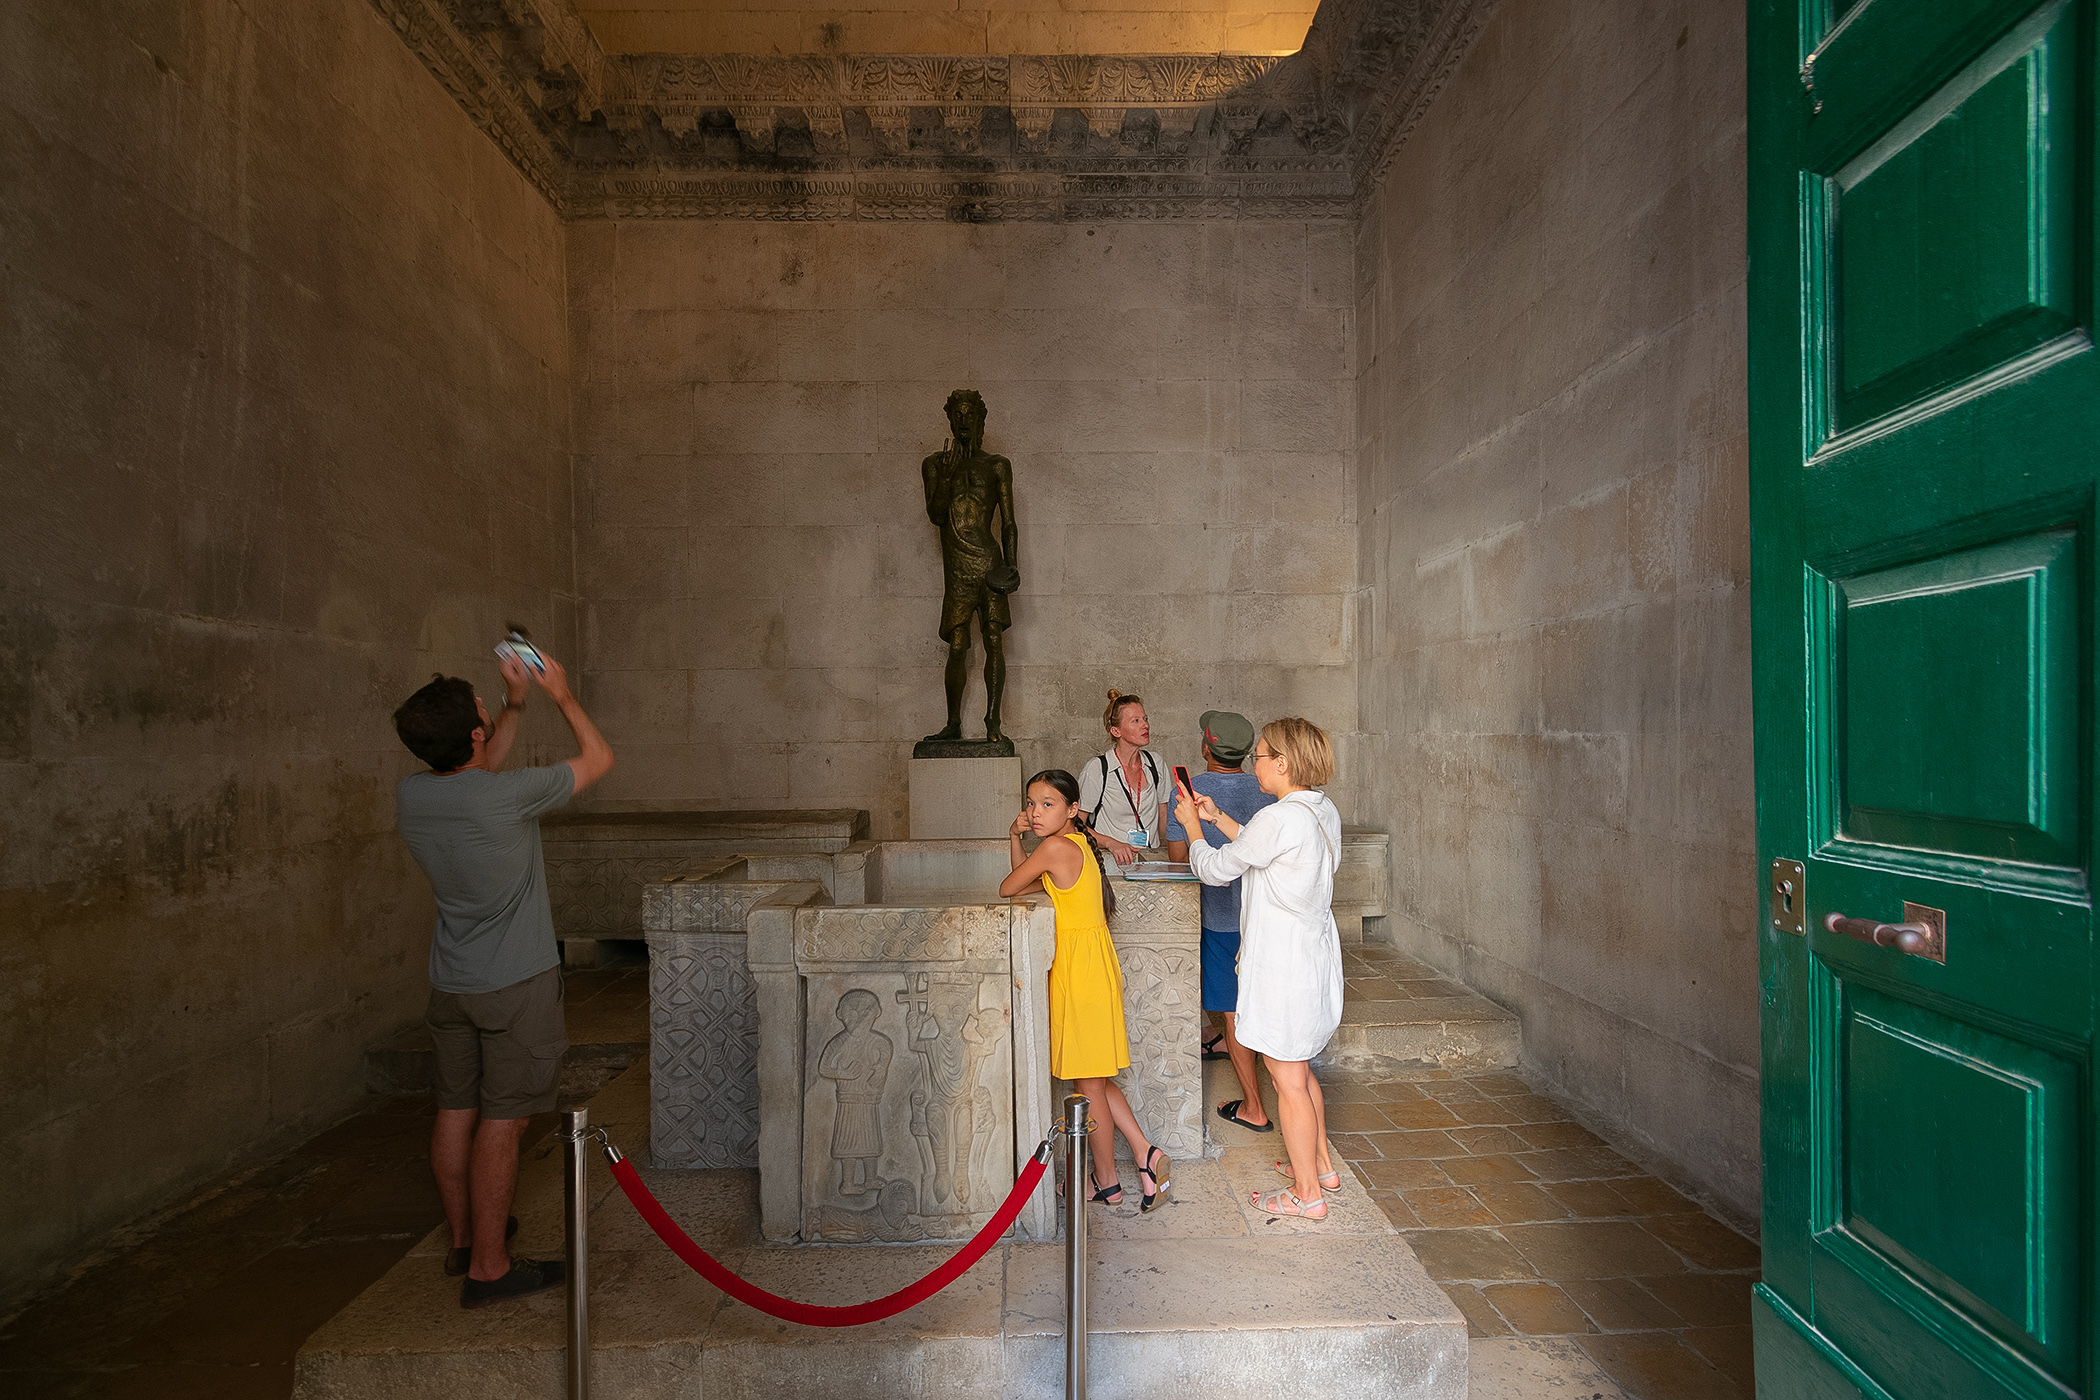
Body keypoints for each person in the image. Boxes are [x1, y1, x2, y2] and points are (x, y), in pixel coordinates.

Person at [391, 647, 615, 1307]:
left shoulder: (415, 793)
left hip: (451, 980)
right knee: (505, 1119)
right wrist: (563, 696)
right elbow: (599, 759)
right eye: (485, 712)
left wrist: (513, 702)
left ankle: (463, 1239)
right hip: (514, 983)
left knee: (456, 1108)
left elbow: (476, 767)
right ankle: (490, 1268)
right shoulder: (507, 796)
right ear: (475, 736)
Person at [1171, 718, 1343, 1220]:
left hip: (1284, 961)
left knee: (1286, 1077)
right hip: (1312, 952)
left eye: (1262, 756)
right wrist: (1220, 816)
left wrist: (1191, 825)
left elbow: (1215, 869)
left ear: (1283, 764)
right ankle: (1321, 1165)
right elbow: (1263, 845)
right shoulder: (1317, 810)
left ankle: (1307, 1195)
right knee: (1299, 1067)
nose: (1255, 765)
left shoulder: (1279, 818)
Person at [999, 770, 1171, 1211]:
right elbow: (1032, 883)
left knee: (1088, 1080)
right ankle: (1144, 1154)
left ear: (1072, 810)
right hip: (1093, 963)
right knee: (1093, 1076)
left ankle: (1107, 1183)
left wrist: (1012, 837)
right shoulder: (1076, 846)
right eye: (1031, 803)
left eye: (1048, 804)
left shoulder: (1055, 847)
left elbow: (1008, 887)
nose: (1036, 813)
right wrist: (1024, 844)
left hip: (1079, 971)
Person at [1162, 710, 1277, 1134]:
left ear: (1206, 748)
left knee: (1230, 1010)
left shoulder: (1191, 790)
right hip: (1264, 919)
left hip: (1221, 918)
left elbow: (1179, 861)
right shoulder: (1271, 791)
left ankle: (1254, 1106)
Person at [921, 389, 1019, 745]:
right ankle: (952, 722)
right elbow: (935, 515)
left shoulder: (996, 465)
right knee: (958, 644)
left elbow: (1008, 523)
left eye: (970, 415)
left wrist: (1012, 566)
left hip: (989, 565)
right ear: (950, 419)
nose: (964, 422)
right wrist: (946, 480)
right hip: (958, 567)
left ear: (980, 420)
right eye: (958, 415)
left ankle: (993, 720)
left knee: (994, 639)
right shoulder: (935, 464)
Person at [1076, 691, 1170, 866]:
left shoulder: (1156, 763)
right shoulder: (1097, 769)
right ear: (1116, 731)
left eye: (1145, 719)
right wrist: (1110, 843)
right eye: (1136, 721)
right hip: (1110, 863)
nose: (1145, 725)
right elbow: (1076, 824)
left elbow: (1163, 815)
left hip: (1151, 862)